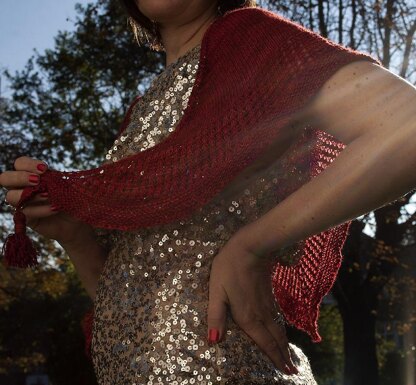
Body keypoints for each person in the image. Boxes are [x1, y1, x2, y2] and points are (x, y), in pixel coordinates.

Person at [1, 0, 416, 384]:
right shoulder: (140, 113)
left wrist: (252, 247)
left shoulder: (251, 39)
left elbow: (406, 127)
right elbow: (130, 298)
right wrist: (74, 237)